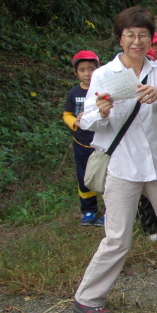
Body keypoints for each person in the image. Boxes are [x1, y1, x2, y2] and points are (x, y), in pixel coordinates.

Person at [73, 6, 157, 313]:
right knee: (117, 237)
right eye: (130, 35)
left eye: (143, 35)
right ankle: (87, 297)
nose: (137, 41)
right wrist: (102, 111)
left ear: (151, 39)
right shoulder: (104, 74)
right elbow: (87, 120)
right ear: (120, 38)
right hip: (123, 165)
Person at [63, 50, 102, 226]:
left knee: (105, 176)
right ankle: (88, 210)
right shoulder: (74, 93)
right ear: (76, 73)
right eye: (83, 70)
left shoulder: (101, 91)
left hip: (101, 142)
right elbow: (67, 114)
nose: (88, 73)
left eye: (91, 69)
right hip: (81, 143)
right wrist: (75, 123)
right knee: (83, 176)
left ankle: (111, 209)